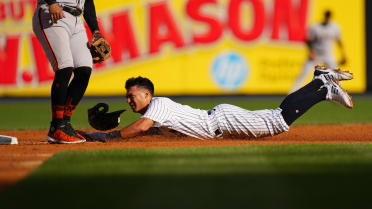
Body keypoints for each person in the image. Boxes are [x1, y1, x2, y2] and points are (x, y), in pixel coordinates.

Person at [81, 65, 353, 142]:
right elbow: (146, 129)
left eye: (133, 95)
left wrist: (108, 136)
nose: (129, 100)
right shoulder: (156, 112)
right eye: (127, 96)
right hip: (219, 121)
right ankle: (321, 85)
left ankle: (321, 87)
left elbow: (141, 128)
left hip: (221, 121)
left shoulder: (157, 106)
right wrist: (113, 126)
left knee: (277, 120)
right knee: (275, 118)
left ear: (148, 95)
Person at [32, 0, 103, 143]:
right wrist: (51, 2)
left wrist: (96, 30)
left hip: (77, 19)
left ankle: (65, 124)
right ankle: (57, 126)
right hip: (53, 13)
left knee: (84, 69)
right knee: (65, 67)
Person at [290, 10, 347, 93]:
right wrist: (311, 51)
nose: (327, 17)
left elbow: (339, 41)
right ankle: (292, 92)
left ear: (330, 17)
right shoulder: (316, 27)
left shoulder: (335, 27)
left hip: (328, 55)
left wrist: (343, 54)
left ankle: (338, 93)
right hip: (316, 54)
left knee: (336, 74)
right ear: (324, 16)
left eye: (329, 16)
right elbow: (308, 40)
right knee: (304, 73)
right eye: (326, 15)